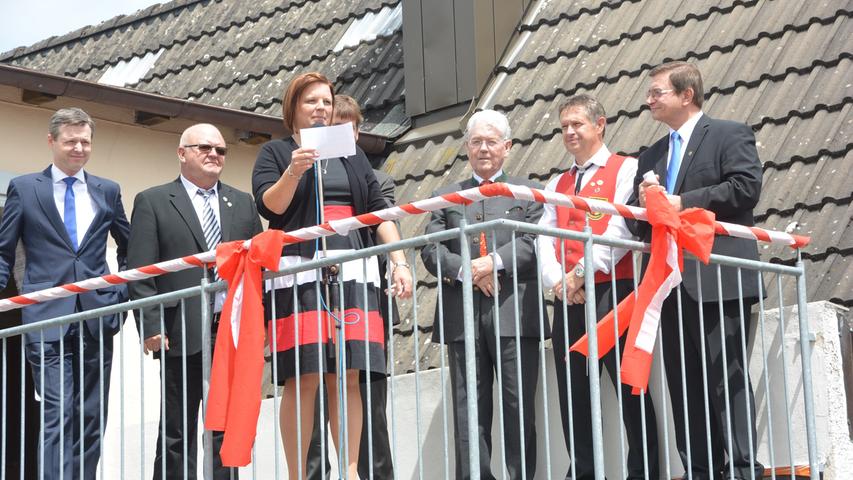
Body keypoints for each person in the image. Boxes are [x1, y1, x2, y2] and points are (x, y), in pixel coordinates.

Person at [251, 72, 413, 480]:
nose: (321, 108)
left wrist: (399, 262)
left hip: (353, 272)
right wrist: (294, 170)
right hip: (301, 273)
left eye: (326, 102)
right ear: (293, 110)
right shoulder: (276, 152)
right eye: (312, 102)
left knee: (348, 377)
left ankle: (352, 471)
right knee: (303, 378)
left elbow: (378, 211)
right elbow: (271, 207)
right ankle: (296, 475)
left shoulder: (351, 153)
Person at [632, 61, 764, 479]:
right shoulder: (650, 155)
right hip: (669, 285)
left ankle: (743, 469)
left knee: (727, 380)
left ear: (686, 95)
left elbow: (746, 189)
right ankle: (700, 471)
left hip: (717, 279)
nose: (648, 100)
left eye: (657, 93)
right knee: (683, 387)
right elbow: (640, 226)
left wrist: (683, 200)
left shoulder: (728, 133)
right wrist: (644, 205)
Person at [0, 107, 130, 480]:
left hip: (96, 316)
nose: (78, 148)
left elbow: (129, 245)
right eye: (70, 141)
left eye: (85, 141)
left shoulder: (108, 189)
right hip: (46, 318)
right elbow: (4, 252)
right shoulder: (25, 188)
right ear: (51, 141)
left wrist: (119, 298)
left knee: (92, 414)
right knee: (57, 410)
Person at [127, 124, 261, 479]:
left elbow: (257, 265)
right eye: (204, 148)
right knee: (177, 427)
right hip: (179, 330)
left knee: (224, 426)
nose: (214, 155)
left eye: (220, 150)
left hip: (228, 331)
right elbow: (140, 269)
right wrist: (151, 325)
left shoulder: (243, 202)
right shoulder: (153, 201)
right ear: (182, 152)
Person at [537, 94, 659, 479]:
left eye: (577, 124)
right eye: (564, 127)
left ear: (600, 124)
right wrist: (558, 281)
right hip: (567, 300)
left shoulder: (626, 168)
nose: (570, 132)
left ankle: (643, 471)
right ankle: (584, 472)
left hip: (612, 293)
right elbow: (542, 236)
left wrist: (580, 274)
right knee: (572, 394)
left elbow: (621, 229)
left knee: (629, 389)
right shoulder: (557, 181)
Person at [421, 109, 548, 479]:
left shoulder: (527, 191)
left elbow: (533, 241)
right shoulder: (445, 196)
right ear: (466, 148)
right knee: (468, 408)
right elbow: (431, 248)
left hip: (514, 312)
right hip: (463, 315)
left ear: (507, 147)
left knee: (517, 406)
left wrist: (492, 262)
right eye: (476, 142)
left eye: (491, 141)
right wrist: (469, 271)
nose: (483, 149)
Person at [305, 94, 398, 479]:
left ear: (357, 132)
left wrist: (400, 263)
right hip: (318, 297)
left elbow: (383, 225)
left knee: (370, 405)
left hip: (364, 299)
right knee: (314, 405)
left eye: (349, 128)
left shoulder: (378, 179)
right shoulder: (310, 175)